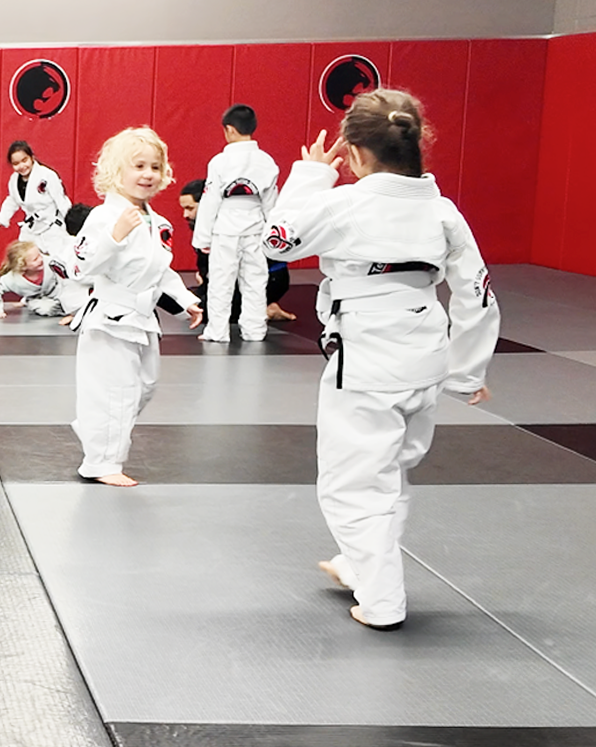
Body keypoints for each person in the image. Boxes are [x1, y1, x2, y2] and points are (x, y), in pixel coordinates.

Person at [262, 88, 500, 630]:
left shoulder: (346, 203)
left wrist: (310, 176)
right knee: (389, 473)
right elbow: (477, 293)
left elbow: (276, 242)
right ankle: (358, 562)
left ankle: (383, 600)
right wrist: (468, 372)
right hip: (426, 356)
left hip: (367, 357)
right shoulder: (442, 211)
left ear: (355, 153)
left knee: (351, 486)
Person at [67, 127, 202, 487]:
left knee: (145, 386)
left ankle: (94, 427)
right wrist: (114, 239)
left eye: (155, 167)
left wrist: (187, 301)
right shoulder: (102, 217)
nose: (148, 174)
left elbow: (162, 270)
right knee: (116, 391)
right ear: (116, 172)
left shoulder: (158, 222)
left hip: (143, 320)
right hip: (109, 319)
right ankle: (101, 461)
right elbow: (78, 268)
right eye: (138, 165)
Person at [192, 105, 279, 342]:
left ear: (229, 130)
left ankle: (217, 331)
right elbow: (271, 203)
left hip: (225, 228)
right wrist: (274, 234)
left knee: (221, 281)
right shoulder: (266, 161)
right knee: (254, 281)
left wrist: (202, 238)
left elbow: (210, 201)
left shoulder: (220, 162)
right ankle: (254, 330)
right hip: (256, 228)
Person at [0, 140, 71, 251]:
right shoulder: (14, 180)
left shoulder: (47, 175)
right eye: (16, 164)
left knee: (55, 260)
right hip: (31, 227)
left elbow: (61, 201)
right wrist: (2, 218)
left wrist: (71, 223)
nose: (22, 166)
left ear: (32, 158)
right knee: (23, 257)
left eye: (24, 160)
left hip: (52, 225)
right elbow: (12, 200)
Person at [0, 239, 89, 324]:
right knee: (45, 309)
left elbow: (68, 270)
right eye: (35, 259)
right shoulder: (11, 280)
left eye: (39, 255)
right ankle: (29, 301)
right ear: (23, 266)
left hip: (60, 289)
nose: (41, 259)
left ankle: (74, 312)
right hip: (41, 299)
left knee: (78, 294)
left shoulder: (49, 262)